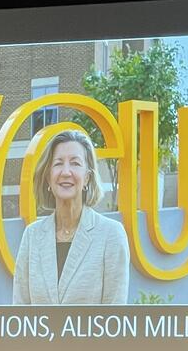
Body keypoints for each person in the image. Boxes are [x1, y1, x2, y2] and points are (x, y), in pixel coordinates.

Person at [12, 129, 130, 305]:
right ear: (48, 177)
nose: (66, 172)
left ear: (87, 178)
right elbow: (20, 313)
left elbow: (115, 315)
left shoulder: (111, 234)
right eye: (58, 163)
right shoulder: (32, 236)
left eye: (75, 163)